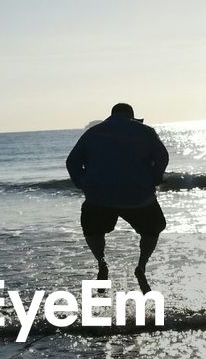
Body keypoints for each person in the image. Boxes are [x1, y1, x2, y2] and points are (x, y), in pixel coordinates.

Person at [65, 103, 169, 292]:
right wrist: (155, 178)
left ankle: (102, 263)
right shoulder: (145, 131)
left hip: (99, 197)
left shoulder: (93, 132)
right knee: (153, 228)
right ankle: (141, 267)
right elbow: (162, 157)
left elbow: (72, 161)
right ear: (131, 116)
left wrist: (83, 184)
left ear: (111, 115)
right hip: (139, 196)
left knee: (92, 229)